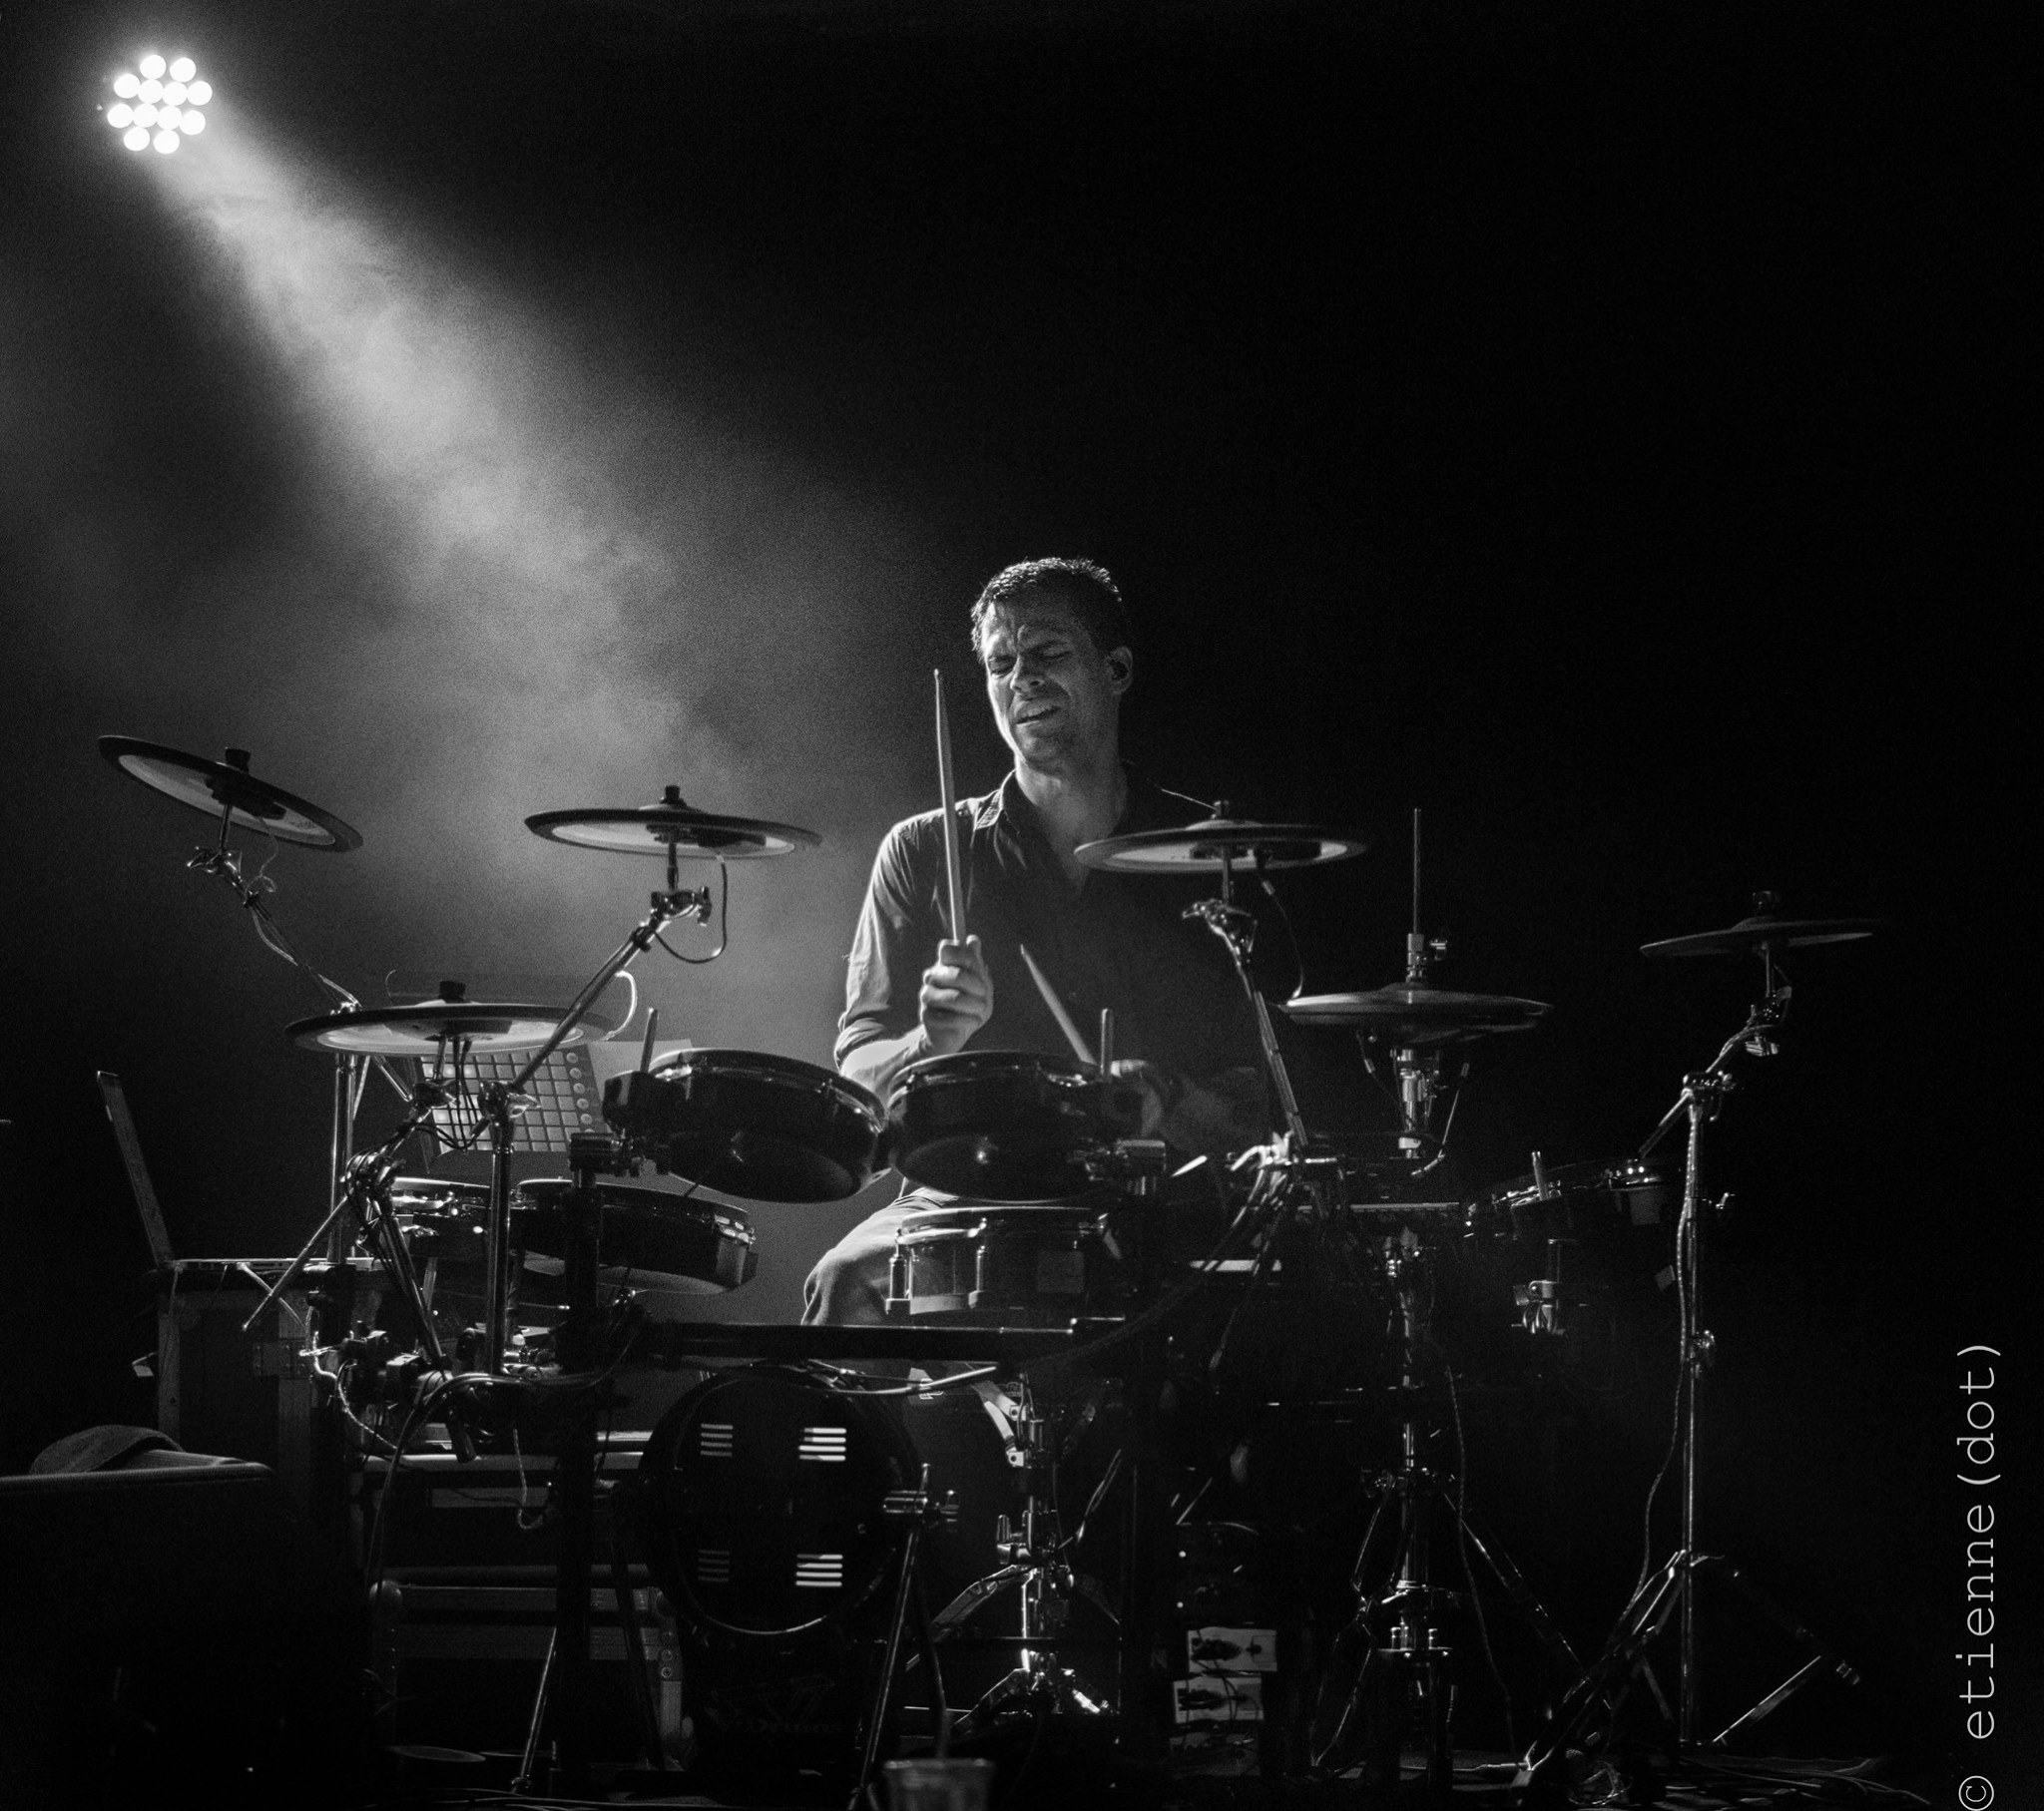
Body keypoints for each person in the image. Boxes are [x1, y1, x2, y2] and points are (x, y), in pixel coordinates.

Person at [802, 558, 1268, 1324]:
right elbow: (859, 1088)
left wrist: (1166, 1095)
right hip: (966, 1196)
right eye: (1001, 663)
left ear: (1116, 669)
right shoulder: (923, 851)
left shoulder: (1205, 854)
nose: (1023, 678)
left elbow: (1257, 1102)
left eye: (1048, 652)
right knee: (845, 1281)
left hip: (1158, 1195)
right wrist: (931, 1039)